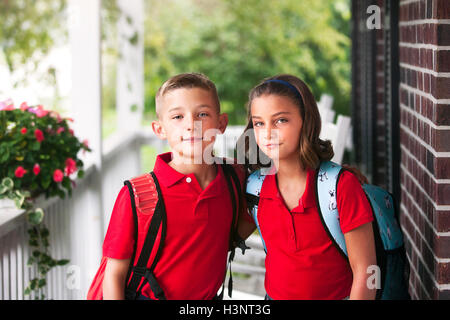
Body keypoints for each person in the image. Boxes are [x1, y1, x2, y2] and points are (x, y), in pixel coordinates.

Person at [101, 73, 246, 300]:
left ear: (221, 124)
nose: (191, 124)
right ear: (160, 129)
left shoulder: (234, 177)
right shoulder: (137, 195)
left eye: (203, 114)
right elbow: (113, 275)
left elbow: (248, 221)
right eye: (178, 116)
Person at [237, 74, 377, 300]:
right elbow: (221, 240)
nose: (267, 132)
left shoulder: (340, 186)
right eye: (259, 123)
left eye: (280, 120)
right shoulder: (254, 188)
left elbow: (368, 271)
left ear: (306, 120)